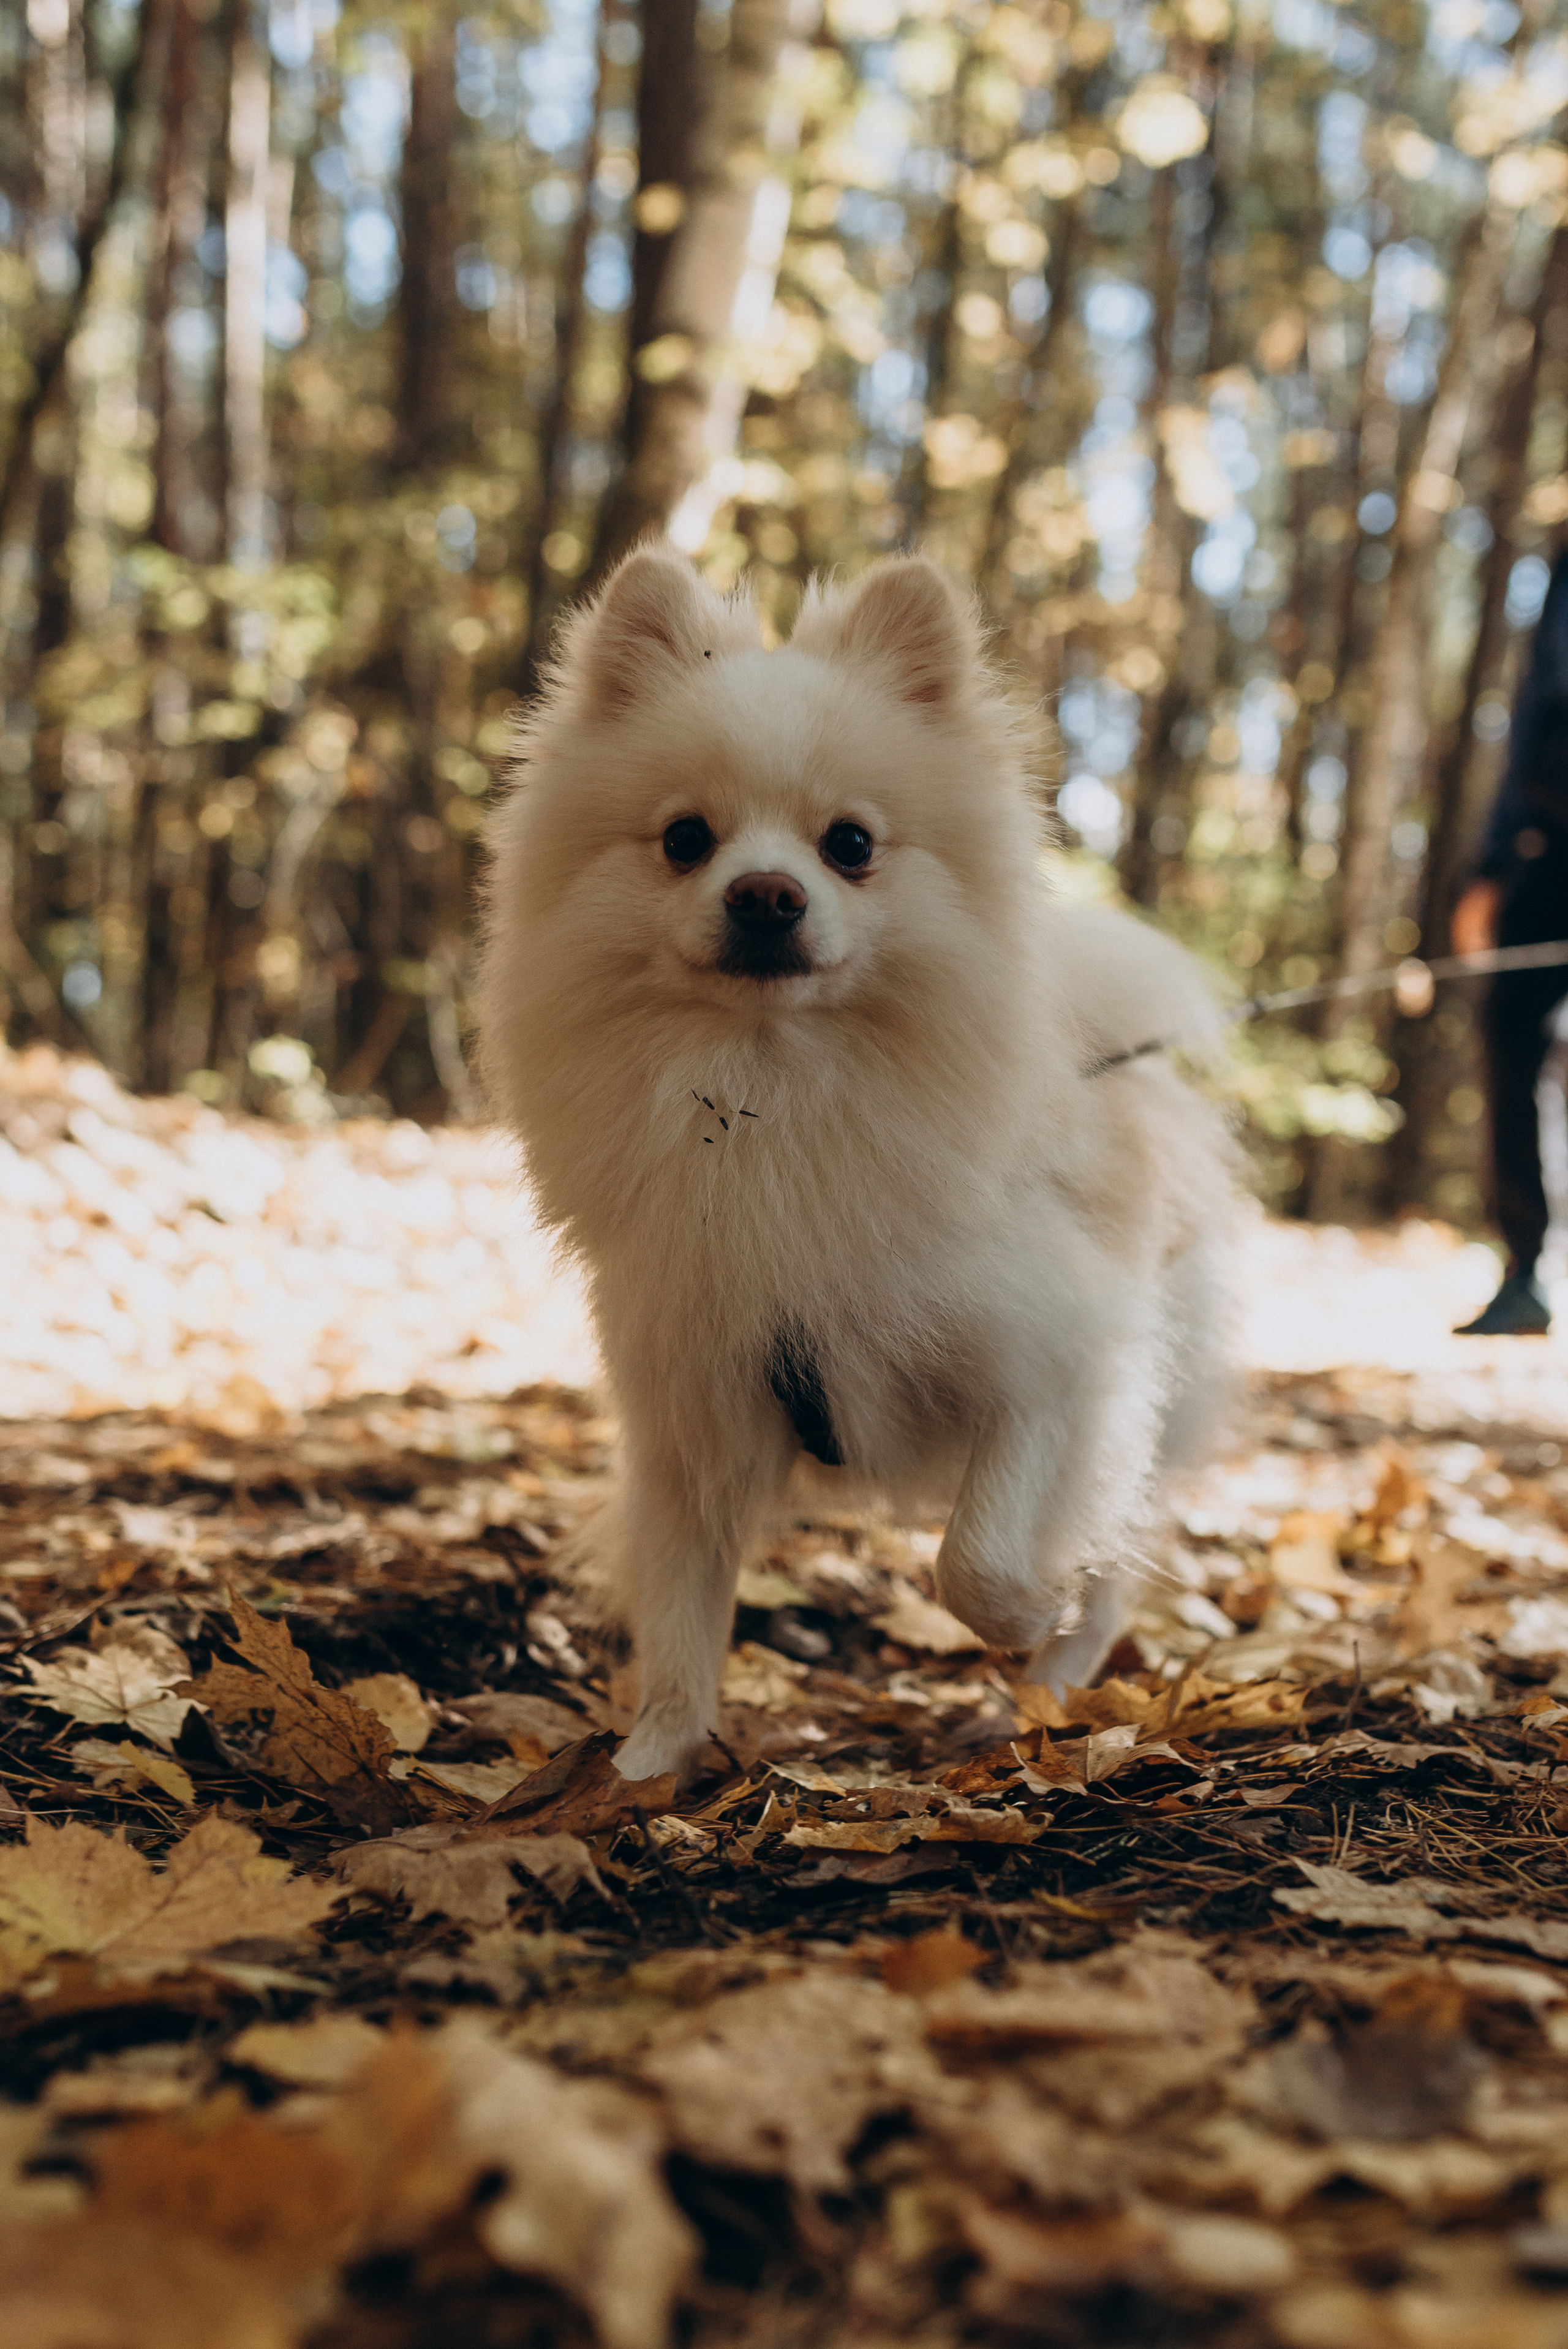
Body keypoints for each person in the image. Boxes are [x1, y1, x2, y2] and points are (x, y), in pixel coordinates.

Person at [1450, 549, 1568, 1335]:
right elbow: (1534, 711)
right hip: (1547, 847)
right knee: (1511, 1039)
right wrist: (1494, 863)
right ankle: (1526, 1271)